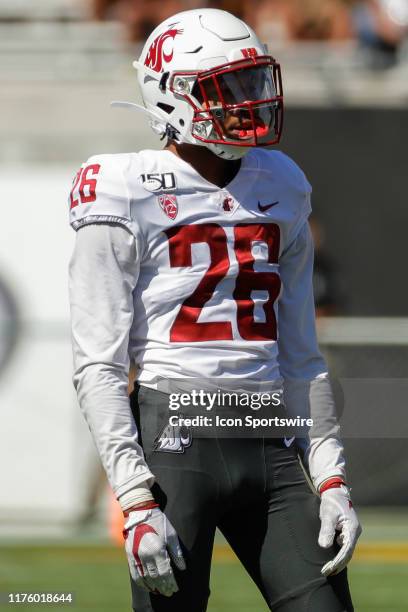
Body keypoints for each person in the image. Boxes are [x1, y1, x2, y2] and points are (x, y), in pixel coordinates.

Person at [68, 8, 361, 611]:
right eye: (227, 88)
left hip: (267, 436)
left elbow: (301, 354)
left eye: (252, 83)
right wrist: (135, 498)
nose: (247, 101)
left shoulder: (282, 182)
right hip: (176, 438)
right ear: (171, 98)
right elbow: (98, 361)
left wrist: (331, 476)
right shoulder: (124, 187)